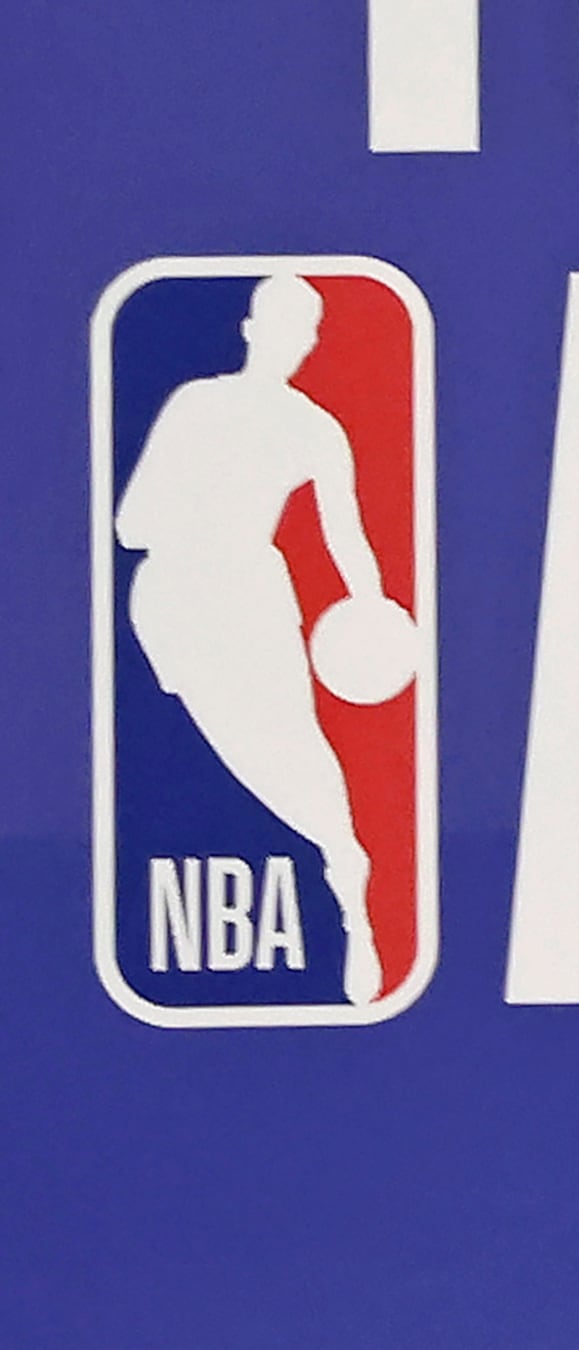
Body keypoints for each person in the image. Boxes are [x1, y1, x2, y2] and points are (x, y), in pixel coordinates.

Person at [116, 272, 395, 1005]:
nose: (291, 342)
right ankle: (340, 859)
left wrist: (372, 610)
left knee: (291, 740)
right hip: (178, 598)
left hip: (245, 593)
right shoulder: (197, 404)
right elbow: (130, 524)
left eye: (302, 330)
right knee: (242, 746)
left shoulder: (315, 428)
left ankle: (348, 879)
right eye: (284, 325)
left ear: (308, 342)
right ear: (253, 330)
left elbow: (346, 537)